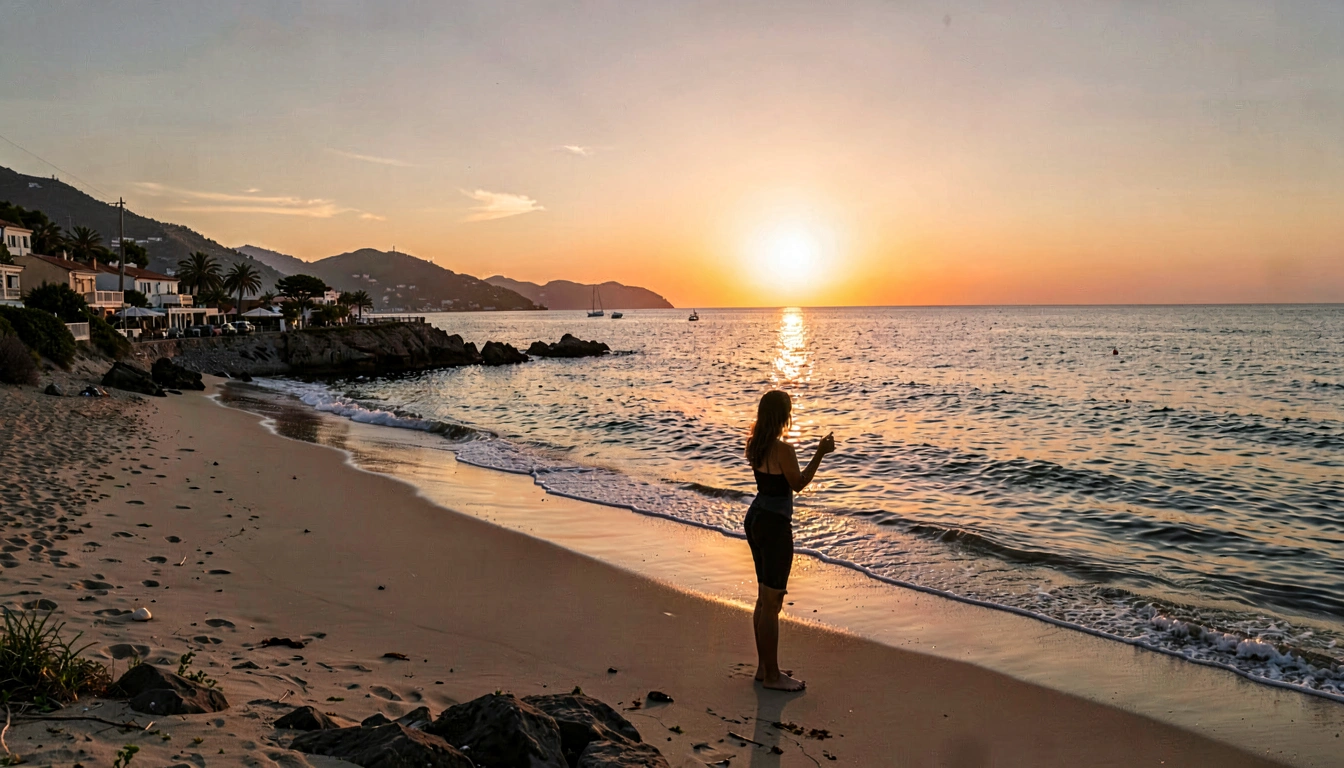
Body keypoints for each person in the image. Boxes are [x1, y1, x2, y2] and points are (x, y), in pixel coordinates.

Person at [744, 390, 835, 692]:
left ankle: (763, 667)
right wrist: (821, 453)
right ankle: (772, 676)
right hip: (774, 524)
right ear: (783, 416)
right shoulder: (783, 449)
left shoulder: (755, 444)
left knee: (763, 598)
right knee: (772, 603)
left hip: (756, 516)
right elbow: (797, 484)